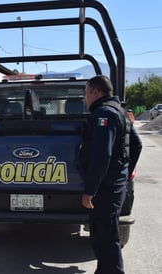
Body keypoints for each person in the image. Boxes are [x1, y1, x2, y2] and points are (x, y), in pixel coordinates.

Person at [80, 75, 142, 274]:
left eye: (86, 93)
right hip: (114, 184)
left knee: (106, 237)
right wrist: (124, 170)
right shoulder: (121, 112)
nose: (85, 98)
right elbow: (137, 144)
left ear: (96, 92)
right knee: (102, 234)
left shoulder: (103, 115)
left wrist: (90, 190)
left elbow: (102, 156)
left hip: (106, 187)